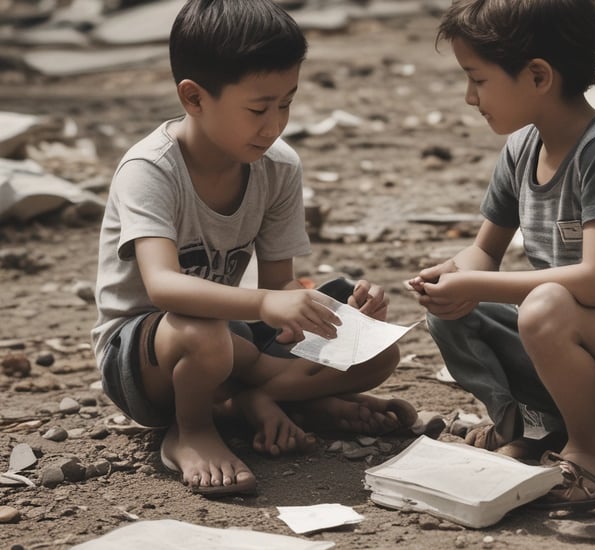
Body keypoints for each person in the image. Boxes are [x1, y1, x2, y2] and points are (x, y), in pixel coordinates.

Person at [91, 0, 416, 497]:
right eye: (258, 108)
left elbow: (278, 284)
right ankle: (193, 430)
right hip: (148, 356)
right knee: (204, 333)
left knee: (378, 350)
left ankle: (249, 403)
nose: (274, 125)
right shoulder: (151, 170)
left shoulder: (277, 166)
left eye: (286, 103)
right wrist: (267, 303)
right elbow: (163, 286)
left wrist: (336, 309)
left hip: (232, 339)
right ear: (194, 98)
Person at [409, 0, 595, 513]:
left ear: (539, 76)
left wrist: (475, 285)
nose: (469, 97)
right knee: (453, 310)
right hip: (589, 346)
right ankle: (532, 425)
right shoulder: (523, 147)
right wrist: (449, 279)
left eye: (478, 80)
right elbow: (484, 252)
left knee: (543, 305)